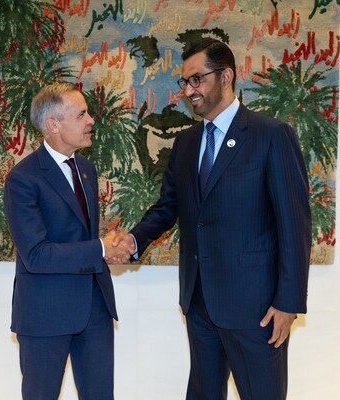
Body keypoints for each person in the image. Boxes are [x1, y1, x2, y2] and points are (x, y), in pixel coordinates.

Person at [115, 39, 311, 399]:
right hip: (199, 302)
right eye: (184, 82)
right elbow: (167, 207)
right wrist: (134, 240)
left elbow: (295, 225)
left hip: (257, 309)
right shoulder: (186, 143)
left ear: (226, 76)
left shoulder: (271, 135)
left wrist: (288, 301)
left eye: (197, 80)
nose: (188, 91)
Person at [4, 83, 133, 400]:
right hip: (45, 315)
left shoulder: (87, 169)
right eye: (82, 114)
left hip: (95, 311)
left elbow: (81, 237)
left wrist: (109, 250)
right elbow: (36, 255)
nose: (91, 120)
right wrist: (101, 248)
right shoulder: (23, 178)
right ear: (53, 125)